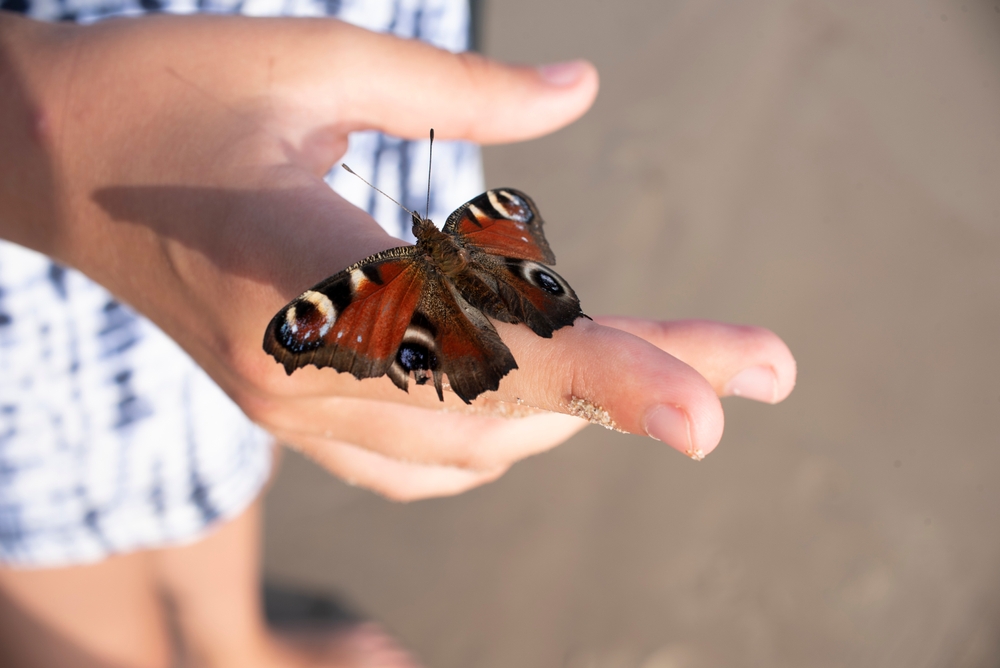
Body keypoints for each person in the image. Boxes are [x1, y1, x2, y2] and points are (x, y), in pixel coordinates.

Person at [0, 4, 797, 667]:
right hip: (55, 155)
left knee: (214, 447)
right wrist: (50, 121)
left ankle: (230, 643)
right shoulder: (453, 240)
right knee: (79, 514)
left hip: (321, 74)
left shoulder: (385, 273)